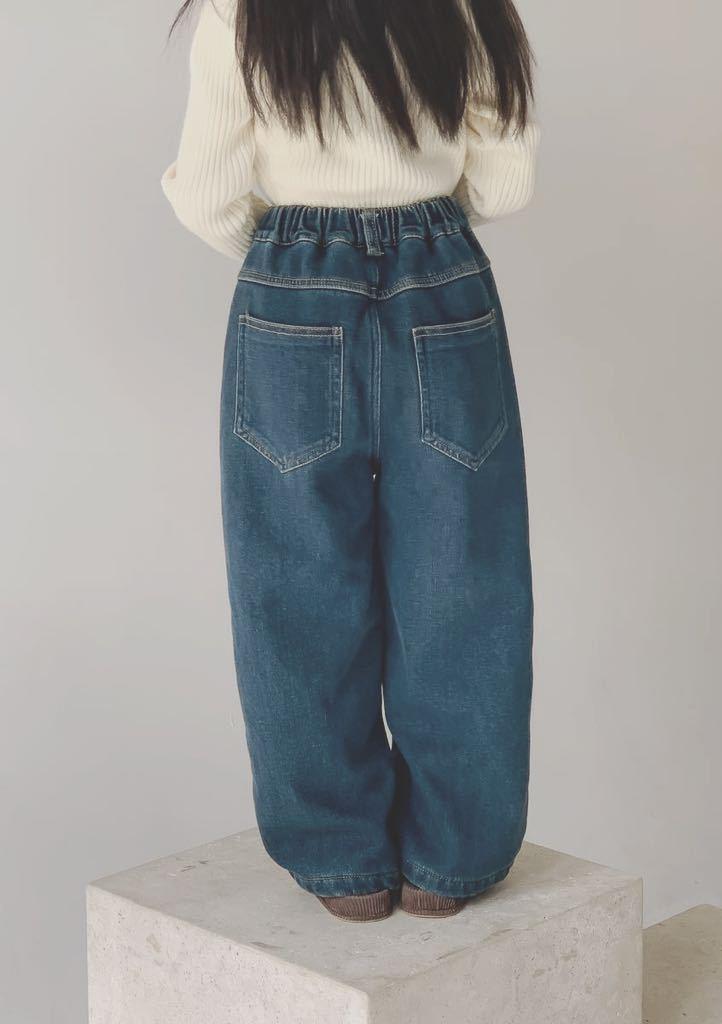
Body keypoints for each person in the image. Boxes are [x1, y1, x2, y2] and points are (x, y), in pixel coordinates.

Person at [161, 0, 539, 923]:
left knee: (293, 586)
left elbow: (206, 194)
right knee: (464, 577)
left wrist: (297, 257)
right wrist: (421, 226)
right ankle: (452, 859)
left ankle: (341, 861)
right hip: (442, 276)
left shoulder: (240, 12)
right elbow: (506, 183)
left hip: (293, 284)